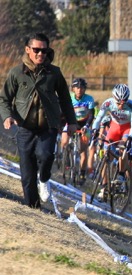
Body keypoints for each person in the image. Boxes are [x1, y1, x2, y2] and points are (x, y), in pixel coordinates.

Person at [0, 33, 78, 208]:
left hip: (47, 127)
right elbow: (4, 99)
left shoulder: (54, 73)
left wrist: (72, 121)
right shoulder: (16, 73)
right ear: (28, 50)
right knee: (27, 174)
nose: (40, 54)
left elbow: (65, 99)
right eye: (36, 50)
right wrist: (7, 116)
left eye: (44, 50)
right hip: (25, 129)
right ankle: (33, 208)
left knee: (45, 155)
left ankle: (44, 179)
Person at [61, 77, 95, 182]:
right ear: (73, 89)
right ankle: (66, 158)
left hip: (84, 124)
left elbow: (91, 114)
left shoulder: (89, 99)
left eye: (81, 88)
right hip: (71, 122)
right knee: (64, 141)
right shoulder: (69, 98)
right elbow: (63, 112)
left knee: (83, 150)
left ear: (84, 89)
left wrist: (87, 126)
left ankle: (82, 173)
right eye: (77, 87)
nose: (79, 90)